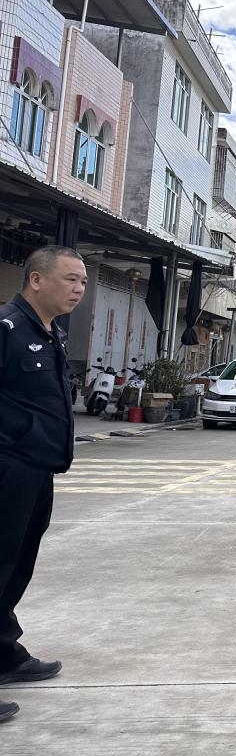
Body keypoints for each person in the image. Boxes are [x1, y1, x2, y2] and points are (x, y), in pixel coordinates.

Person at [0, 246, 88, 719]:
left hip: (37, 471)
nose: (77, 289)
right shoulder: (7, 329)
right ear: (36, 279)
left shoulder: (50, 334)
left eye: (82, 282)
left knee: (14, 570)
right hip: (7, 468)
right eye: (70, 279)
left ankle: (4, 655)